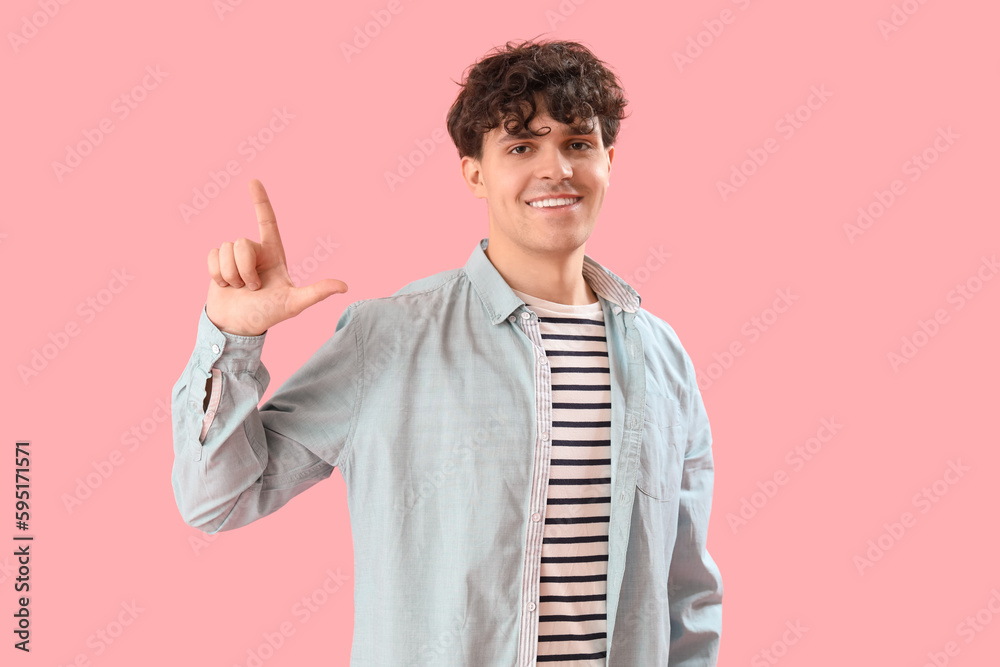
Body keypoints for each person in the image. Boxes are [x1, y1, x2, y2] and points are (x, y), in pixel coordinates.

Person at [171, 38, 722, 666]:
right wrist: (233, 339)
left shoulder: (664, 356)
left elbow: (687, 590)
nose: (557, 169)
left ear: (608, 159)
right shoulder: (389, 337)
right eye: (521, 146)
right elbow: (218, 500)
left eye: (578, 143)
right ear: (475, 173)